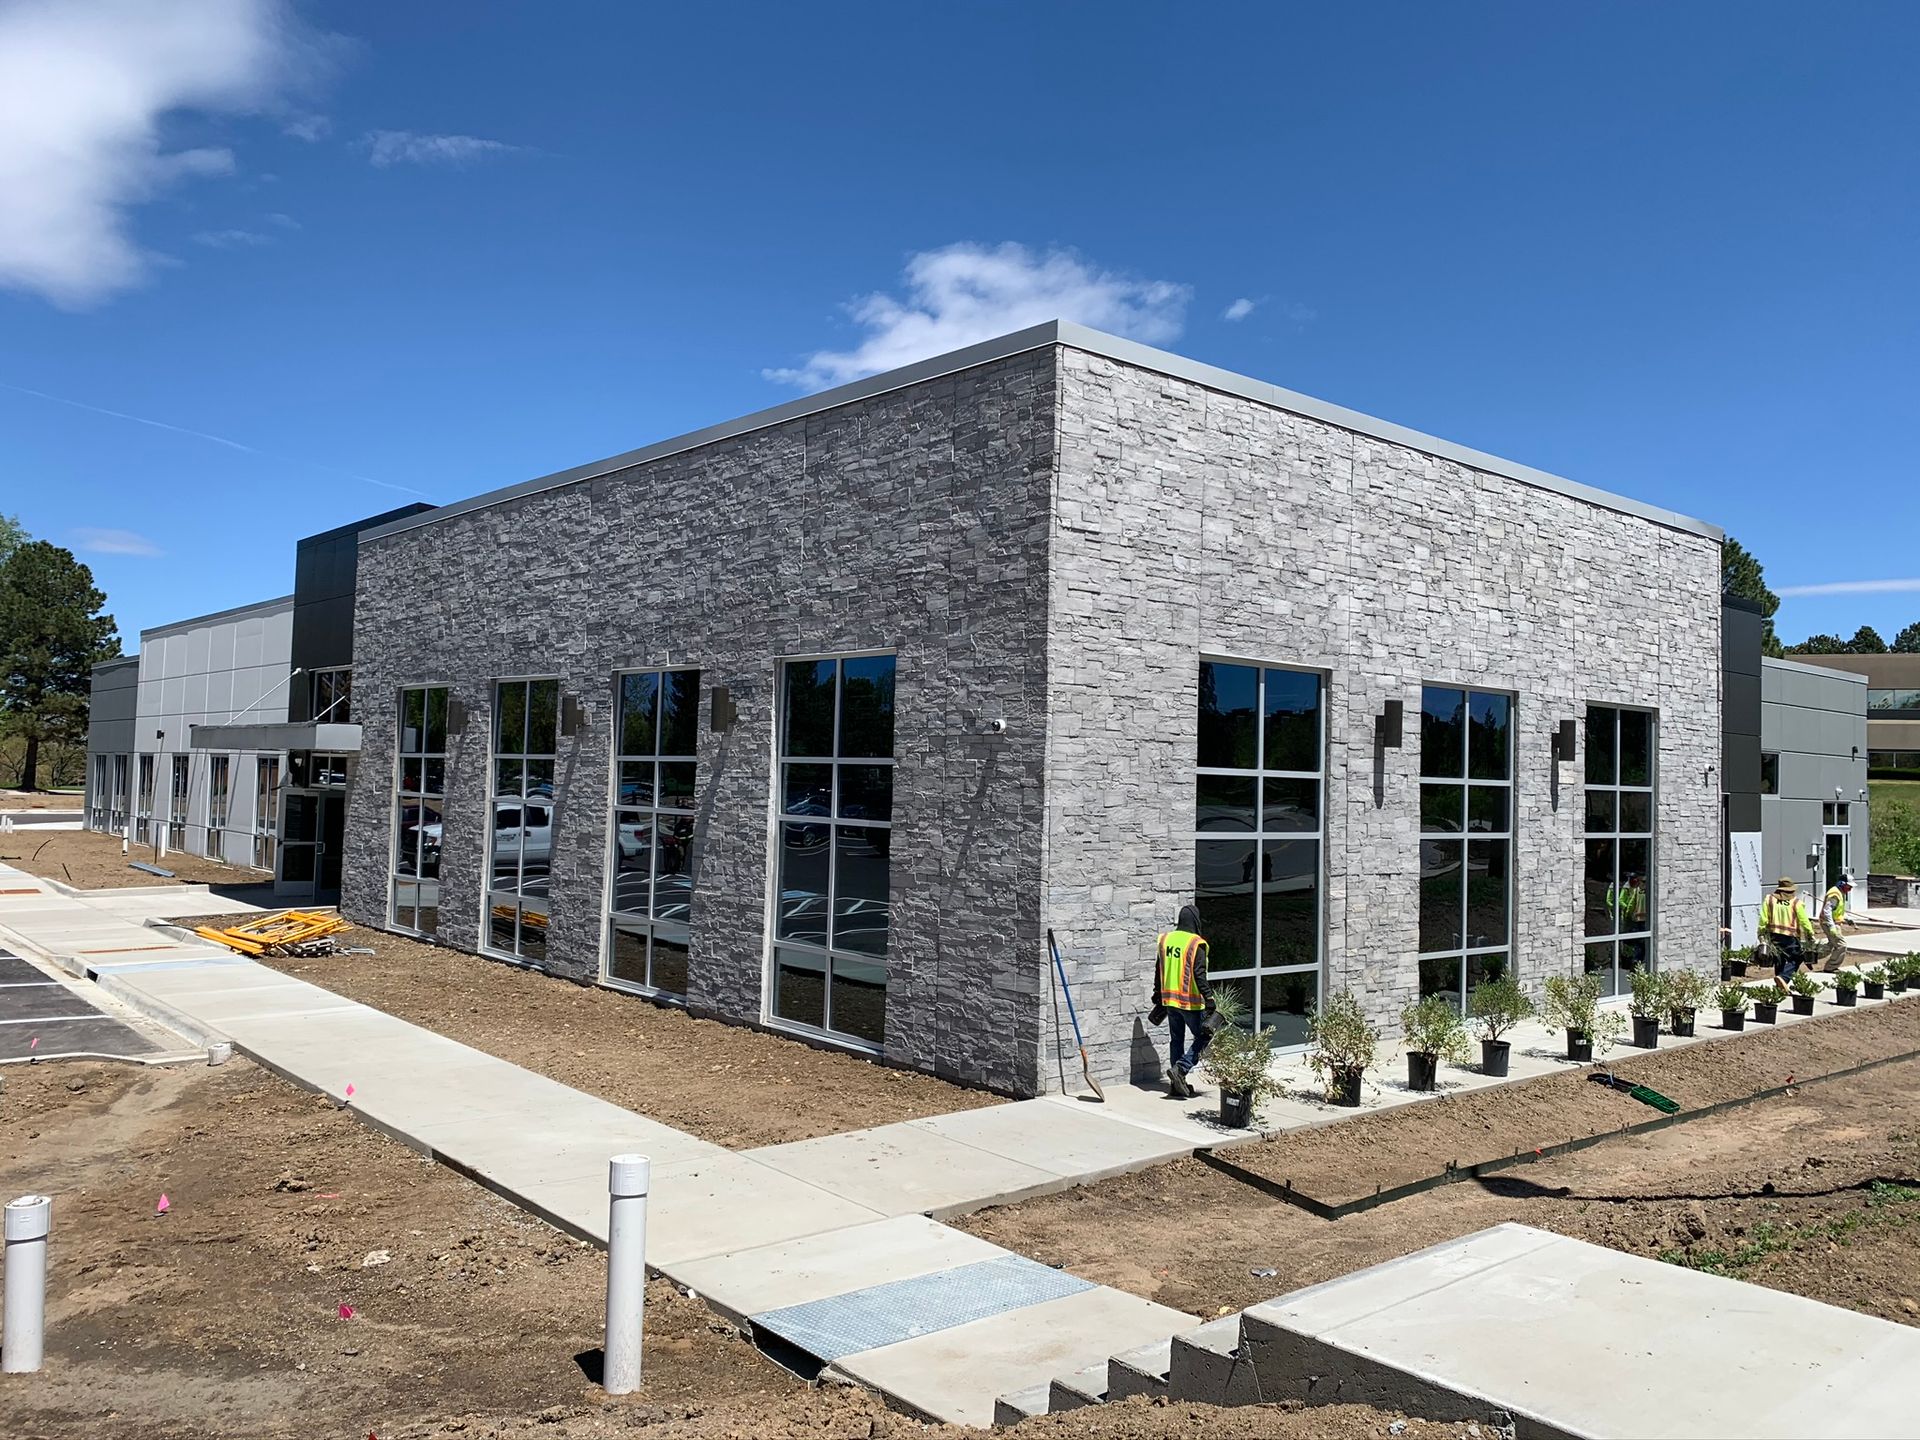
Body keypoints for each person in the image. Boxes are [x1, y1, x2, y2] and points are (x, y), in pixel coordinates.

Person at [1149, 903, 1215, 1098]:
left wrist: (1157, 992)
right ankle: (1181, 1069)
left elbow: (1158, 969)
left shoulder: (1166, 940)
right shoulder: (1196, 943)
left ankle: (1176, 1085)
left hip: (1170, 1001)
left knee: (1176, 1040)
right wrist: (1209, 998)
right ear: (1196, 921)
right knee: (1204, 1037)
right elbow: (1199, 974)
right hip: (1190, 1003)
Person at [1760, 877, 1816, 992]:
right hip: (1790, 936)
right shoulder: (1796, 902)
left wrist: (1761, 933)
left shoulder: (1769, 899)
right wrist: (1810, 933)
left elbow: (1763, 919)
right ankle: (1784, 978)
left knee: (1779, 959)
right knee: (1797, 957)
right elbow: (1804, 920)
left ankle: (1780, 986)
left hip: (1773, 935)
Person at [1817, 875, 1859, 969]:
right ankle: (1831, 967)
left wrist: (1847, 918)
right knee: (1841, 945)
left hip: (1833, 922)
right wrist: (1831, 926)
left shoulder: (1840, 893)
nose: (1850, 889)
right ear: (1842, 884)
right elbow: (1827, 911)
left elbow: (1837, 910)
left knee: (1831, 945)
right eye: (1849, 886)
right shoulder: (1835, 894)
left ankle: (1811, 955)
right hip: (1829, 923)